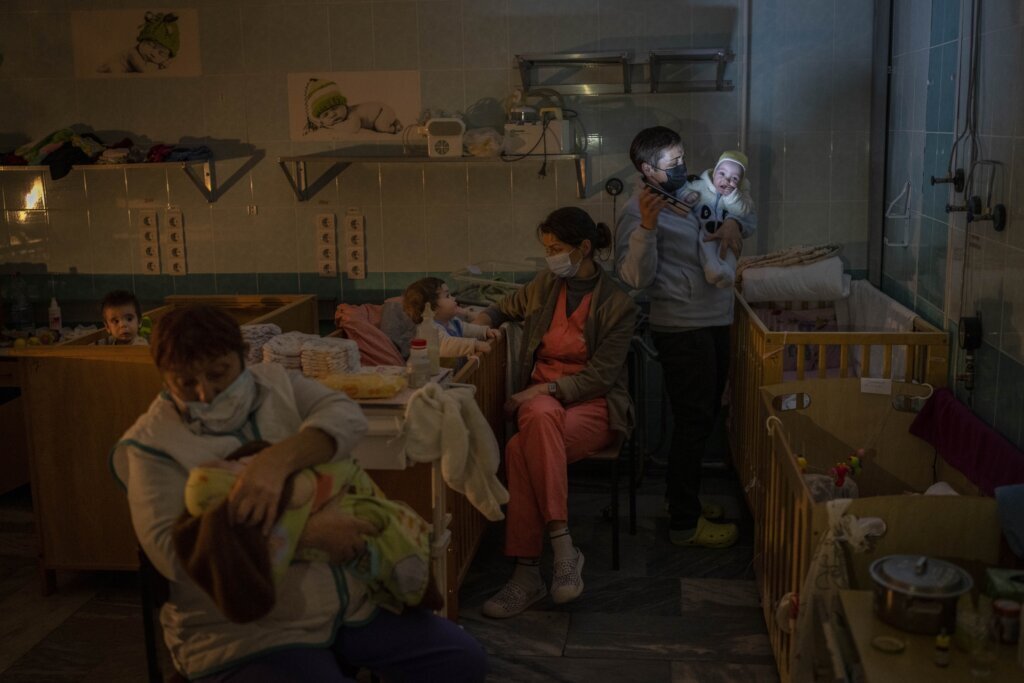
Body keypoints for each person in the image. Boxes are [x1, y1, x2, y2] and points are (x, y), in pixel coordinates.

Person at [110, 305, 487, 682]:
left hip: (341, 600)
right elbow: (174, 558)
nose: (205, 393)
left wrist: (276, 461)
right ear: (164, 377)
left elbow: (344, 415)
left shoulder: (274, 384)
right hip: (244, 627)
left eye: (218, 373)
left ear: (242, 358)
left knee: (460, 660)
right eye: (185, 383)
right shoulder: (151, 447)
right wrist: (305, 534)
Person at [472, 207, 636, 618]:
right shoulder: (546, 285)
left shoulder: (617, 304)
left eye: (557, 248)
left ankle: (527, 574)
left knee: (519, 449)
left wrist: (542, 389)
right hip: (542, 406)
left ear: (584, 248)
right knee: (540, 420)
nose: (551, 257)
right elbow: (503, 307)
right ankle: (563, 548)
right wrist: (476, 325)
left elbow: (601, 376)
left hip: (592, 405)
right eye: (547, 249)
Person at [615, 126, 756, 549]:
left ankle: (683, 499)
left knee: (704, 416)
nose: (682, 166)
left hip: (715, 318)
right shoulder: (635, 211)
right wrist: (647, 227)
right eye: (672, 162)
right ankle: (683, 522)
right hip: (681, 326)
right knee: (694, 421)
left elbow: (739, 213)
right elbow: (634, 278)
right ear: (647, 169)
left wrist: (734, 222)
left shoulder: (695, 192)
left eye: (681, 157)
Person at [683, 150, 754, 289]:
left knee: (730, 253)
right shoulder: (700, 186)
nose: (727, 180)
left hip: (727, 237)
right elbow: (684, 191)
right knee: (706, 249)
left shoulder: (740, 196)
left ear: (740, 183)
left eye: (734, 178)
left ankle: (728, 276)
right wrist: (688, 196)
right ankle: (712, 270)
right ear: (714, 172)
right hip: (707, 232)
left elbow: (744, 211)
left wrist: (731, 197)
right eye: (722, 173)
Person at [403, 277, 498, 358]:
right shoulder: (429, 330)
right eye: (447, 296)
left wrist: (484, 331)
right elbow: (447, 345)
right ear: (432, 307)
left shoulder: (452, 321)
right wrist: (475, 344)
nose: (453, 298)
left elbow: (466, 328)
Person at [303, 78, 404, 135]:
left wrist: (330, 126)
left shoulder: (352, 114)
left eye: (335, 108)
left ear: (344, 105)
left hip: (382, 112)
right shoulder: (344, 116)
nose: (332, 114)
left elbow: (353, 128)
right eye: (325, 114)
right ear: (321, 120)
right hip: (382, 112)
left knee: (381, 127)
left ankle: (394, 129)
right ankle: (395, 122)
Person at [97, 11, 179, 73]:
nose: (153, 53)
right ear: (141, 41)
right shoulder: (133, 53)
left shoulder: (145, 57)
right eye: (150, 45)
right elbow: (145, 71)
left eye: (161, 53)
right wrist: (161, 66)